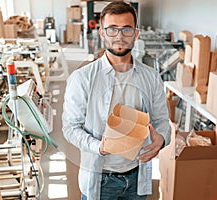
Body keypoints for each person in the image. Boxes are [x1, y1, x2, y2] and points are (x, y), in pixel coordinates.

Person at [62, 1, 171, 200]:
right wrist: (98, 147)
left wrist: (161, 139)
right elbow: (70, 128)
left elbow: (162, 120)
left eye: (126, 29)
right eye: (112, 29)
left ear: (136, 34)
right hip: (101, 179)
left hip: (137, 177)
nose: (119, 37)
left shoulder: (151, 77)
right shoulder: (82, 78)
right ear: (102, 33)